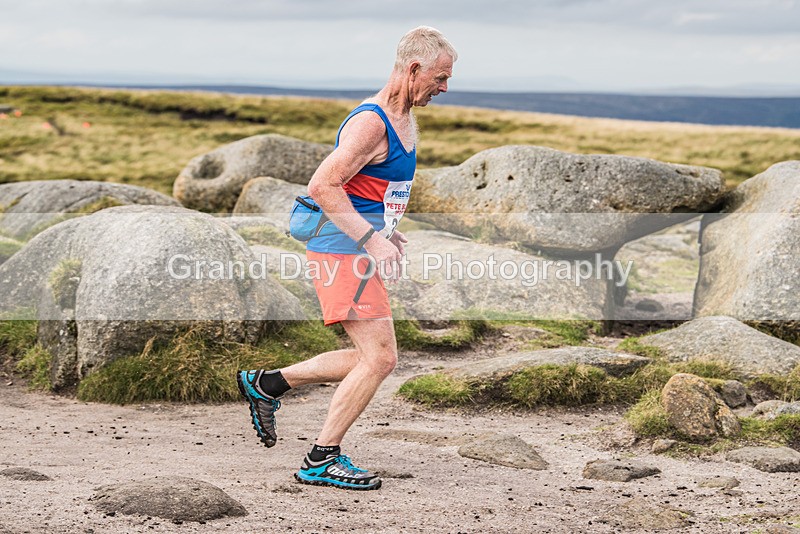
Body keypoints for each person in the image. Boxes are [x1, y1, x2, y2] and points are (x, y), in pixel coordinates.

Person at [237, 26, 456, 491]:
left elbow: (373, 190)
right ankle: (321, 458)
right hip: (342, 251)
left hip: (357, 248)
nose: (444, 87)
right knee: (380, 360)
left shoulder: (402, 117)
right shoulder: (371, 122)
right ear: (413, 68)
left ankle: (268, 385)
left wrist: (386, 235)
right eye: (440, 77)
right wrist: (370, 239)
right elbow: (323, 186)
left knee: (371, 356)